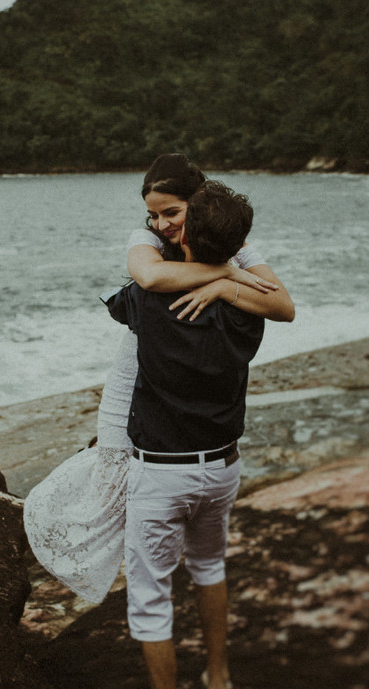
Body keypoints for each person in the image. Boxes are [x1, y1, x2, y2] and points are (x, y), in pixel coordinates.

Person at [24, 156, 292, 606]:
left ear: (201, 204)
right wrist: (226, 273)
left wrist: (227, 286)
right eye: (153, 213)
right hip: (139, 380)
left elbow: (283, 305)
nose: (160, 223)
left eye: (172, 212)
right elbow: (148, 275)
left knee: (173, 552)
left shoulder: (234, 245)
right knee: (109, 496)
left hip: (176, 423)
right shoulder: (150, 240)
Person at [104, 179, 286, 689]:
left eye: (170, 221)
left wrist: (173, 254)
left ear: (183, 235)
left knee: (151, 600)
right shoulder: (250, 298)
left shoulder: (148, 298)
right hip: (223, 467)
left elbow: (138, 280)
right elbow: (281, 300)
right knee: (209, 565)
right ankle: (218, 679)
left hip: (162, 473)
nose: (161, 227)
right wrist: (230, 274)